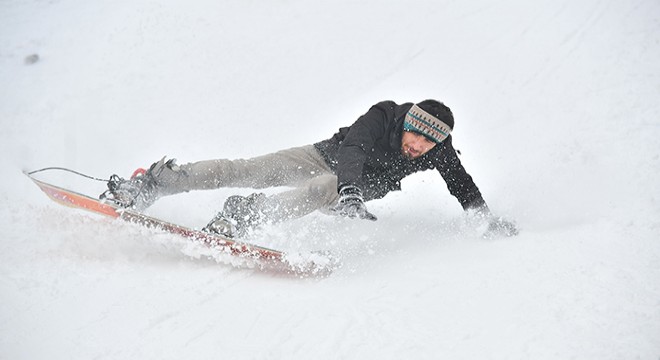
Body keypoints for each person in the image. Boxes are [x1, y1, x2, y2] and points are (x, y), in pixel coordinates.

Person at [103, 100, 517, 238]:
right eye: (415, 136)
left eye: (427, 143)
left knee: (324, 189)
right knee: (246, 169)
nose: (418, 146)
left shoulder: (437, 150)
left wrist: (483, 219)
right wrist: (350, 185)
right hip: (326, 156)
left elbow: (461, 183)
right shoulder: (384, 115)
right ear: (407, 123)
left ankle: (240, 217)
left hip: (348, 192)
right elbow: (354, 146)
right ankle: (152, 184)